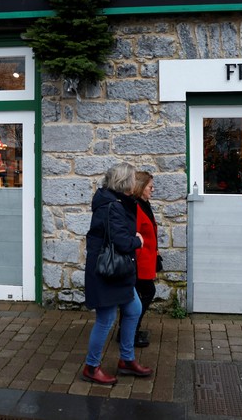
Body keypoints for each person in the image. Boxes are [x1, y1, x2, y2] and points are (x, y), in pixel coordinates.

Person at [82, 162, 153, 385]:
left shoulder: (118, 202)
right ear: (124, 183)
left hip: (118, 271)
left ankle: (126, 359)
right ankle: (91, 367)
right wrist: (138, 241)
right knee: (106, 318)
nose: (135, 182)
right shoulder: (111, 206)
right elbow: (121, 240)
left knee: (134, 309)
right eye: (132, 178)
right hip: (107, 271)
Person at [132, 171, 158, 348]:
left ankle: (130, 330)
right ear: (141, 188)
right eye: (150, 187)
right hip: (140, 260)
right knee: (147, 292)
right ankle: (130, 331)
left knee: (142, 294)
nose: (153, 189)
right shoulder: (136, 207)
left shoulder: (144, 204)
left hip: (147, 257)